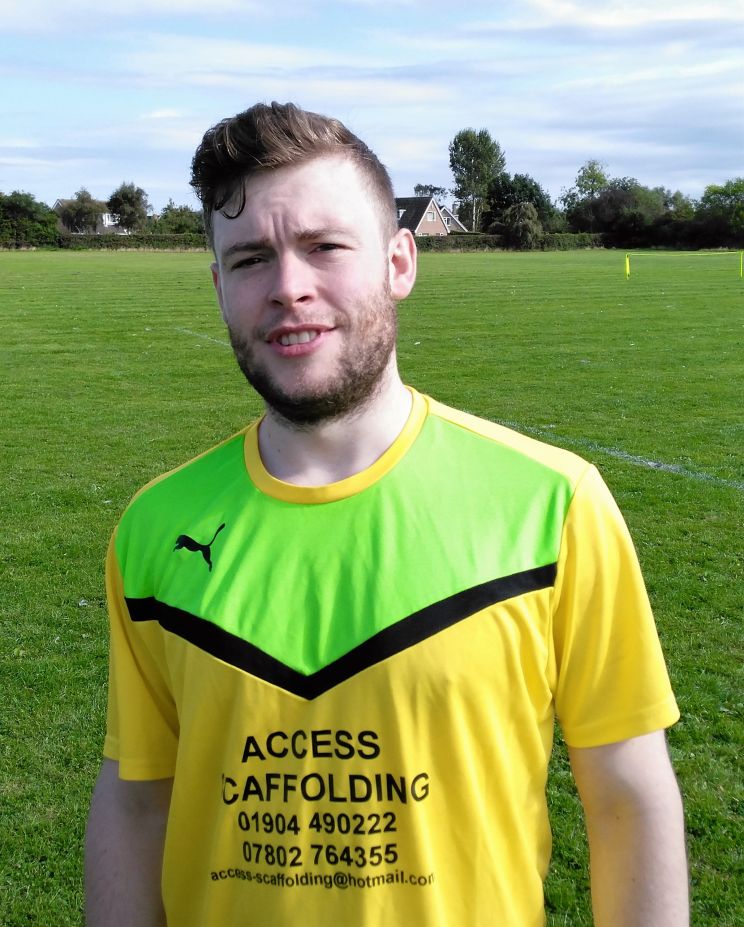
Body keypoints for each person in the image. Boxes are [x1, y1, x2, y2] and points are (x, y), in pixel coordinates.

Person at [85, 102, 689, 927]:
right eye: (252, 258)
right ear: (220, 287)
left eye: (325, 246)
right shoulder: (155, 527)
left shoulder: (553, 506)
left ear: (400, 262)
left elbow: (627, 798)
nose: (289, 286)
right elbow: (136, 801)